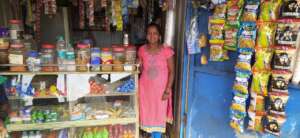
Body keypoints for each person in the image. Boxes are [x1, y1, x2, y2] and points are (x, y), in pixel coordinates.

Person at [138, 23, 175, 138]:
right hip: (145, 90)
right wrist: (137, 65)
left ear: (159, 36)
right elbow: (141, 69)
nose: (152, 36)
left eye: (155, 33)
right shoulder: (141, 50)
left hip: (161, 91)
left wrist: (167, 90)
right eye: (149, 33)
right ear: (146, 36)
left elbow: (172, 72)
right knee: (148, 115)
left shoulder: (166, 50)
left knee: (158, 117)